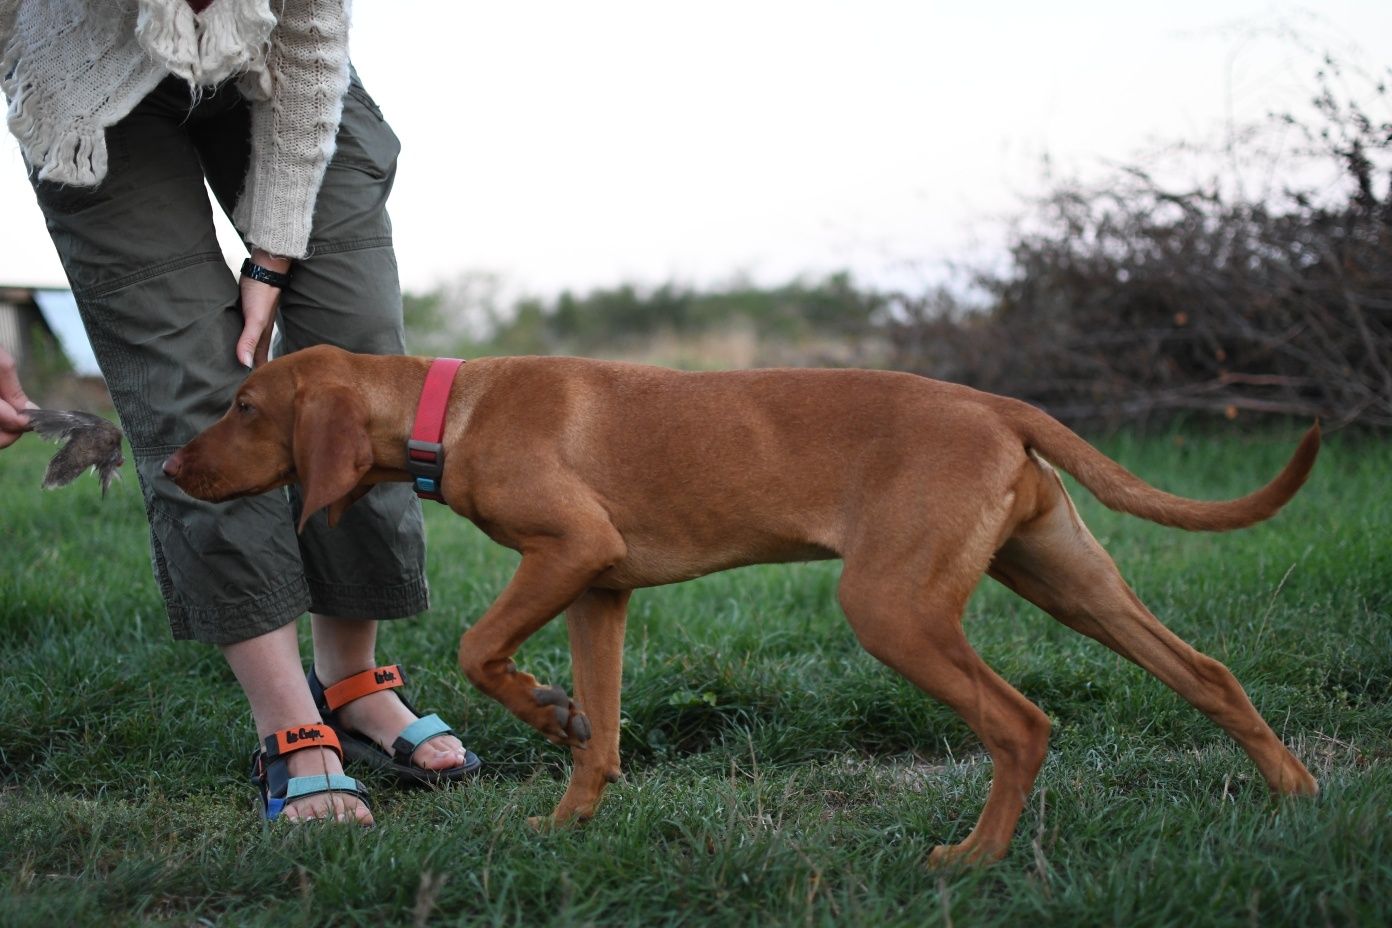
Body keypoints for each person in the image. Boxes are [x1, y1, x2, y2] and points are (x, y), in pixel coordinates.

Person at [0, 0, 478, 823]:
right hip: (84, 97)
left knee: (355, 345)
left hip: (281, 73)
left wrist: (273, 252)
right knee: (190, 379)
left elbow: (311, 30)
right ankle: (288, 718)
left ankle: (352, 681)